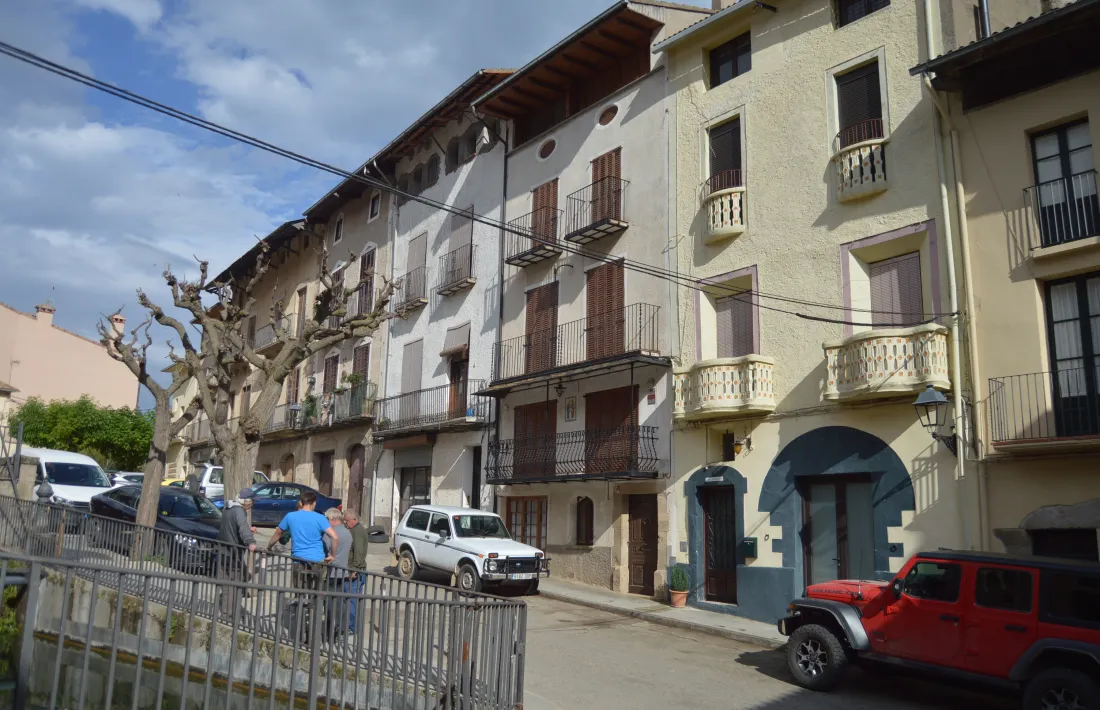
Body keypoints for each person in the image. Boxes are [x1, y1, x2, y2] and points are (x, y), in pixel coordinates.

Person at [268, 490, 338, 591]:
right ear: (314, 503)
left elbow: (278, 533)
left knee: (299, 590)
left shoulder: (290, 516)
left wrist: (269, 547)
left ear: (301, 502)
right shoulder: (320, 518)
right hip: (318, 559)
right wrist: (332, 555)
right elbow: (335, 537)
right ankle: (314, 605)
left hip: (299, 559)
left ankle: (300, 604)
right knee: (318, 591)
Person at [217, 487, 257, 621]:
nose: (252, 505)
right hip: (233, 554)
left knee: (227, 586)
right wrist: (250, 541)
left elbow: (232, 526)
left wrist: (248, 529)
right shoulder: (239, 511)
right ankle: (229, 616)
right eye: (252, 502)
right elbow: (242, 528)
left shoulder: (228, 508)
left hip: (223, 551)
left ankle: (225, 615)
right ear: (246, 501)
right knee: (234, 586)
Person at [323, 508, 352, 640]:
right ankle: (342, 628)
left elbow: (325, 549)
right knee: (340, 601)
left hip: (331, 572)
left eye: (327, 519)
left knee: (328, 602)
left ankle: (331, 630)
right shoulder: (347, 533)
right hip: (342, 572)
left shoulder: (330, 533)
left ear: (331, 519)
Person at [345, 509, 369, 633]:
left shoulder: (357, 532)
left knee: (352, 601)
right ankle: (353, 626)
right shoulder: (355, 530)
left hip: (357, 571)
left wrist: (353, 569)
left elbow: (358, 552)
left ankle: (352, 627)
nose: (345, 522)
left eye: (347, 520)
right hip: (358, 569)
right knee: (353, 600)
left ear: (354, 520)